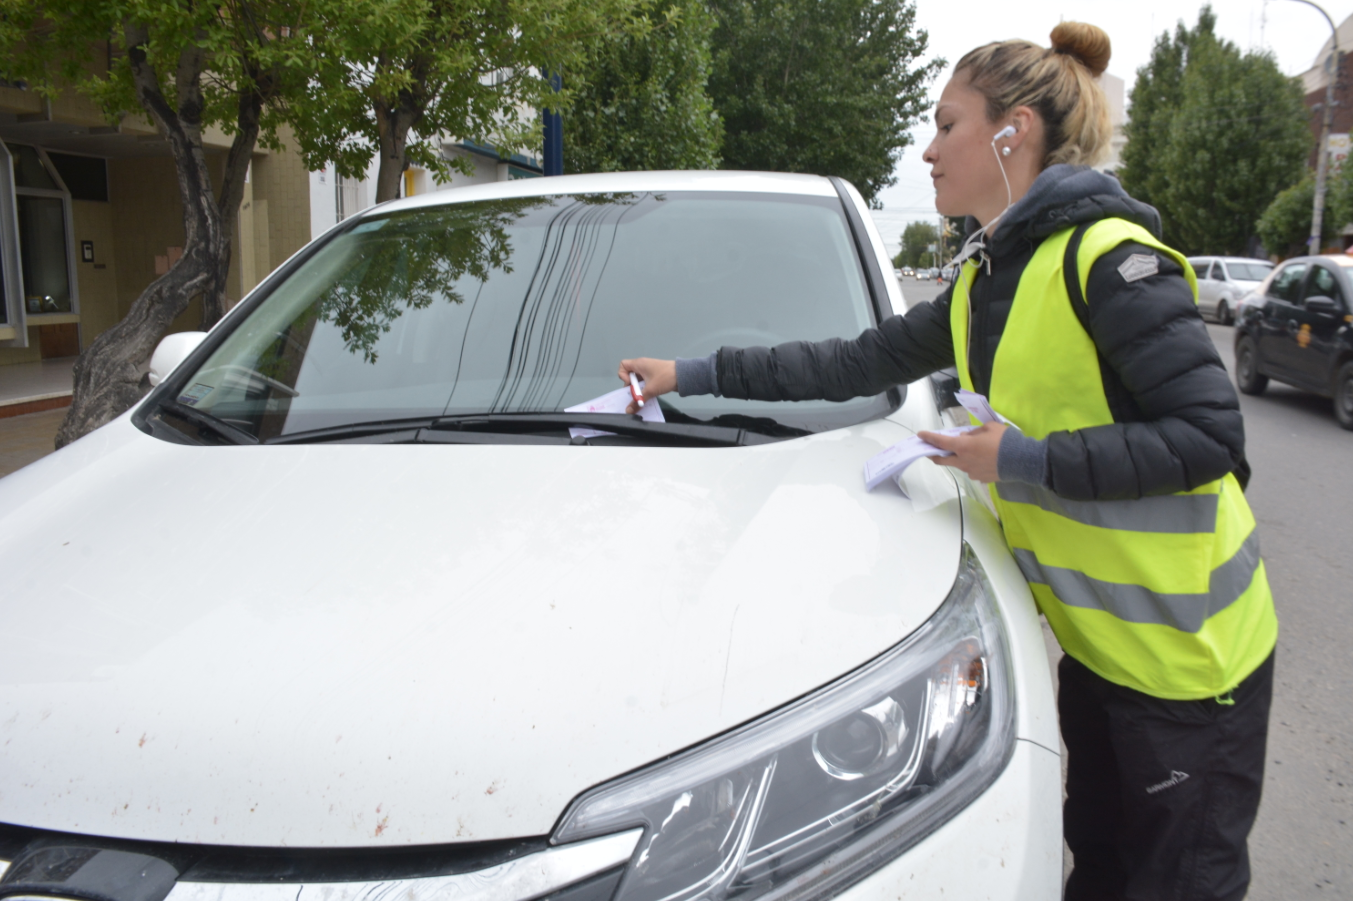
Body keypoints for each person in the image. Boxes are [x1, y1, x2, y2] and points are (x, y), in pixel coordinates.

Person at [617, 22, 1278, 901]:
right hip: (1102, 654)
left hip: (1196, 671)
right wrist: (691, 371)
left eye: (945, 124)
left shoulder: (1107, 259)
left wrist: (1021, 458)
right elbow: (849, 361)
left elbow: (1209, 440)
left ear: (1013, 132)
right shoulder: (982, 282)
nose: (927, 152)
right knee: (1103, 868)